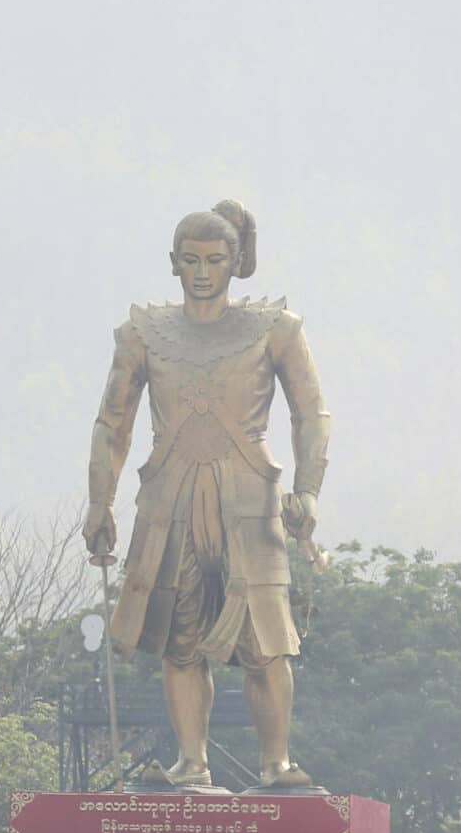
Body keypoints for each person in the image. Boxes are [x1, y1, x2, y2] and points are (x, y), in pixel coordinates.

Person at [84, 200, 331, 792]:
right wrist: (99, 501)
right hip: (168, 497)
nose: (202, 271)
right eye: (191, 260)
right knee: (178, 634)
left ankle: (277, 763)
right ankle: (190, 764)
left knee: (267, 640)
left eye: (215, 260)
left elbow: (311, 413)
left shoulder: (276, 329)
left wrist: (308, 489)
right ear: (173, 263)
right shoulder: (143, 334)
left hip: (251, 498)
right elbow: (111, 424)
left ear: (236, 261)